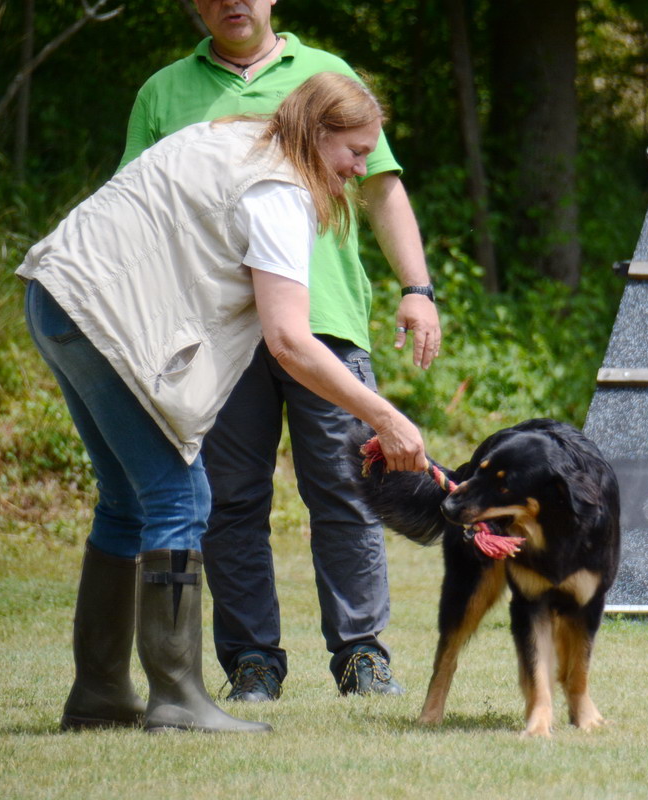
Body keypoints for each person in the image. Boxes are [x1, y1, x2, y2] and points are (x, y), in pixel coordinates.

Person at [20, 73, 428, 733]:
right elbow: (290, 341)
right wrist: (384, 414)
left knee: (126, 504)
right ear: (317, 135)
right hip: (94, 312)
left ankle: (99, 696)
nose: (362, 167)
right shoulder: (277, 191)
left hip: (57, 295)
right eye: (354, 150)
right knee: (181, 500)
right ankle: (177, 700)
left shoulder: (240, 140)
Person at [117, 0, 439, 700]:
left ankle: (361, 653)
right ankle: (252, 661)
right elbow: (138, 211)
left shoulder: (326, 76)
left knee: (349, 491)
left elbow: (381, 188)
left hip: (322, 322)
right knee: (230, 501)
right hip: (217, 331)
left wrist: (418, 287)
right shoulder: (162, 92)